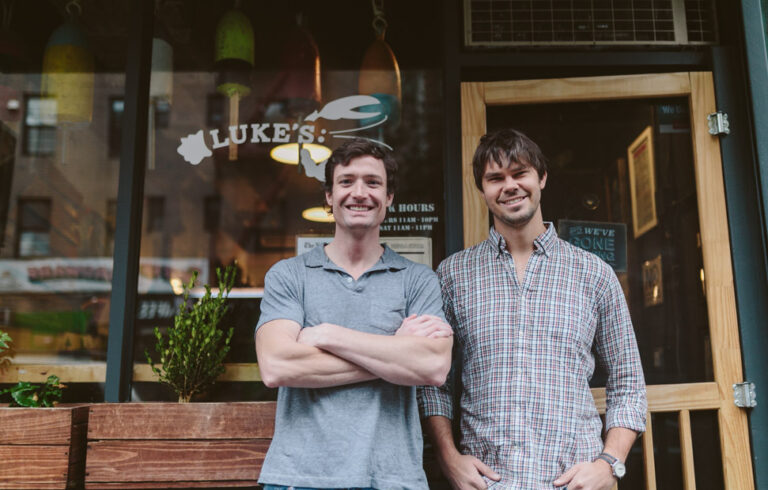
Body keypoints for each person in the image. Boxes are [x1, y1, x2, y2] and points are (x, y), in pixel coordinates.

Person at [419, 128, 647, 490]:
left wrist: (609, 464)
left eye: (519, 173)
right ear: (482, 190)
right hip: (488, 482)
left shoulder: (594, 273)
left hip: (572, 480)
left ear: (541, 178)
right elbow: (433, 382)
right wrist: (448, 456)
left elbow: (628, 383)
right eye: (495, 178)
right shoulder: (453, 275)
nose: (509, 186)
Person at [255, 138, 454, 490]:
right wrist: (395, 352)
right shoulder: (289, 275)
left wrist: (329, 335)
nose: (359, 192)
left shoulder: (418, 280)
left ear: (389, 198)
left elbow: (433, 367)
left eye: (373, 182)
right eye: (346, 182)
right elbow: (277, 366)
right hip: (300, 479)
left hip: (394, 479)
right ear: (329, 196)